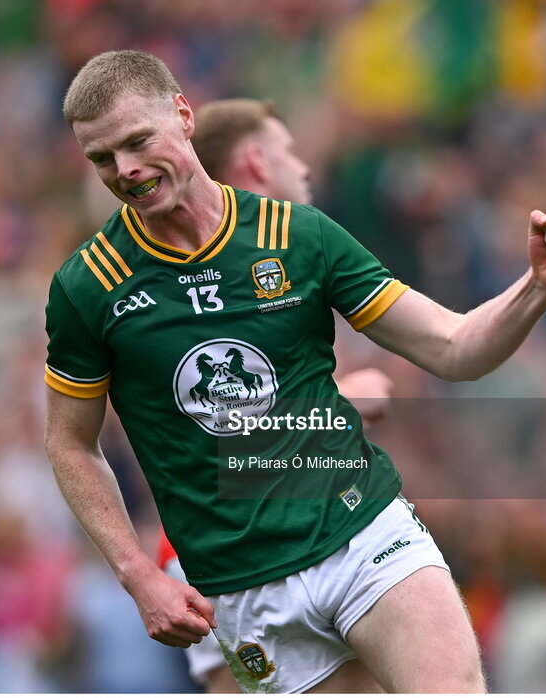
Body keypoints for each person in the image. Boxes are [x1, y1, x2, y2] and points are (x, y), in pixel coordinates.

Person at [45, 50, 546, 693]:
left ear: (183, 116)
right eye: (103, 159)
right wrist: (137, 572)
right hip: (244, 591)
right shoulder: (89, 286)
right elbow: (70, 443)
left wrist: (536, 287)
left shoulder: (299, 236)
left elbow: (453, 347)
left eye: (138, 142)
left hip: (362, 532)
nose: (126, 170)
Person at [159, 97, 393, 693]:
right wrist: (341, 401)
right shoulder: (189, 283)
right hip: (225, 547)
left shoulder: (297, 255)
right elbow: (216, 440)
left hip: (310, 524)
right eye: (290, 152)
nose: (306, 168)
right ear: (258, 164)